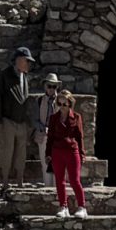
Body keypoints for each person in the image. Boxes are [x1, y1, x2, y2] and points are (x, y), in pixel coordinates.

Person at [0, 47, 40, 187]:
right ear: (19, 60)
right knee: (7, 152)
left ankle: (20, 182)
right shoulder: (4, 75)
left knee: (21, 153)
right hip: (7, 120)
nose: (29, 64)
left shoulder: (24, 76)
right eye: (27, 61)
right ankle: (5, 182)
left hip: (21, 121)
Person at [44, 84, 88, 217]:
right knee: (59, 180)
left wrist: (82, 154)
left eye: (64, 104)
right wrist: (48, 153)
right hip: (57, 151)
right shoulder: (53, 118)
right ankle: (63, 207)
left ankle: (82, 207)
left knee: (74, 180)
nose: (62, 106)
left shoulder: (77, 117)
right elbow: (50, 137)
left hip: (72, 151)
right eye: (59, 103)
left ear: (70, 104)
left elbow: (80, 137)